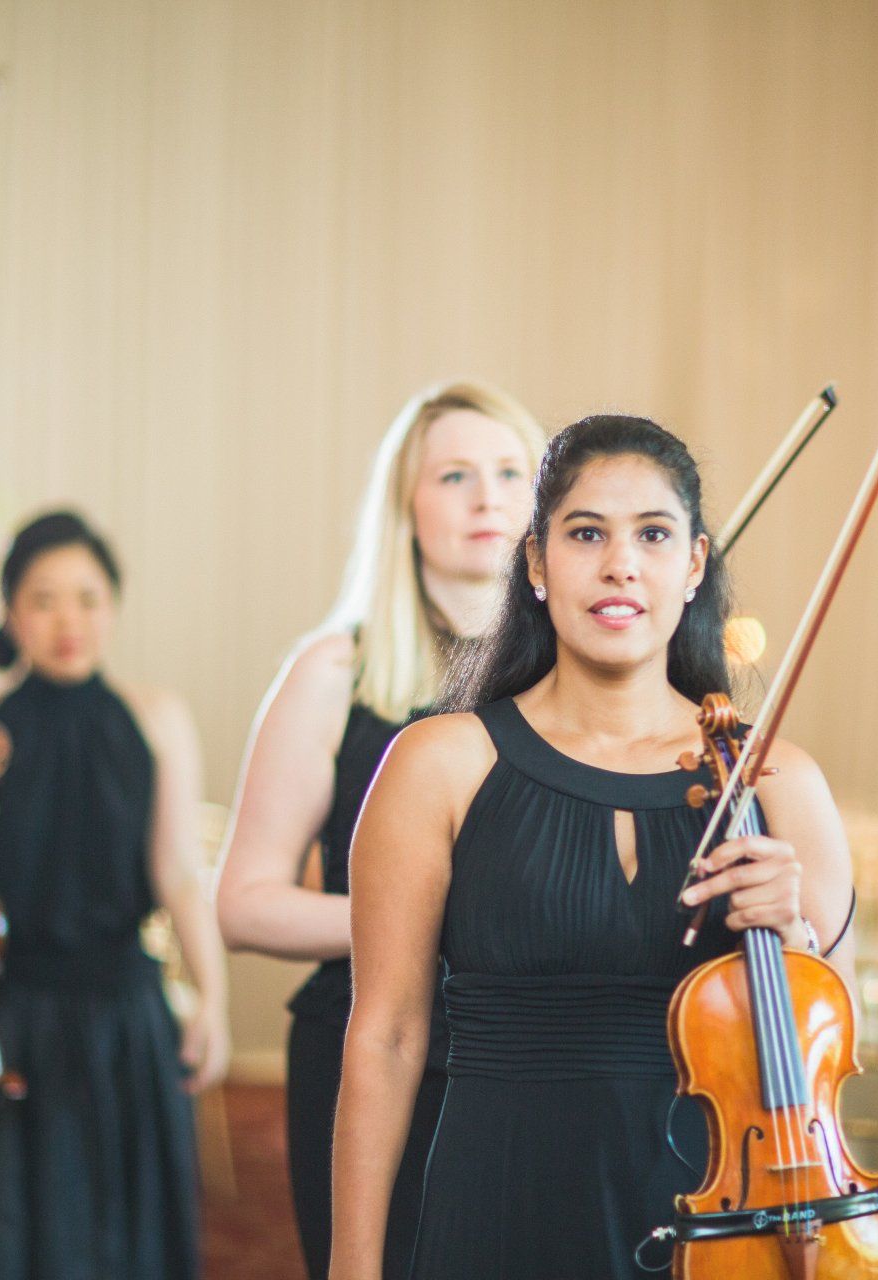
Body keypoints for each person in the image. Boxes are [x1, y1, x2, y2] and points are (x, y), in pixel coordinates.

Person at [329, 414, 859, 1280]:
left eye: (653, 534)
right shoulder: (441, 762)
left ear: (694, 565)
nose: (621, 564)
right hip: (495, 1209)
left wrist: (792, 935)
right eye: (586, 534)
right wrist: (353, 1269)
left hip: (716, 1225)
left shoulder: (776, 782)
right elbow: (386, 1035)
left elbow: (833, 1056)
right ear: (536, 563)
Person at [214, 381, 545, 1280]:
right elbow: (242, 905)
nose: (488, 497)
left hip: (521, 1053)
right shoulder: (336, 670)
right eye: (455, 475)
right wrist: (405, 919)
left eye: (513, 472)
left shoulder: (573, 683)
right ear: (406, 505)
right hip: (366, 1040)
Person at [0, 510, 228, 1280]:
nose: (68, 620)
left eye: (87, 597)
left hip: (119, 1016)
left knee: (114, 1241)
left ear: (113, 606)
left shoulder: (156, 717)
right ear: (11, 612)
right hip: (5, 1011)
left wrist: (213, 993)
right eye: (44, 600)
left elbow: (175, 870)